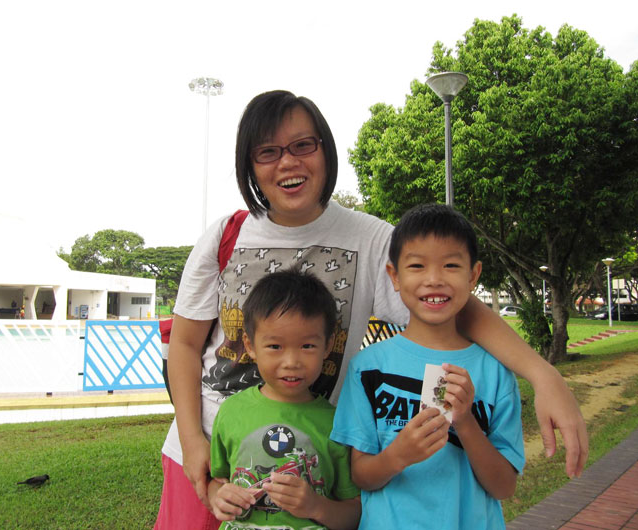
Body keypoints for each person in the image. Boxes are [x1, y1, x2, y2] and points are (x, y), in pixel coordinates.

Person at [156, 90, 587, 530]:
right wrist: (193, 442)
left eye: (304, 145)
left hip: (312, 468)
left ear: (326, 149)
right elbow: (187, 346)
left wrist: (543, 374)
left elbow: (462, 310)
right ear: (248, 165)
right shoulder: (226, 235)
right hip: (212, 457)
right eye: (267, 152)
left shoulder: (373, 238)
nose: (288, 163)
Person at [331, 204, 524, 529]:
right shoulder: (367, 368)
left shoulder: (495, 371)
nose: (434, 280)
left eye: (451, 265)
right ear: (394, 276)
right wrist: (398, 455)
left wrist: (466, 424)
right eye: (417, 266)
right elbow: (360, 475)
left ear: (473, 275)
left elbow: (504, 486)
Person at [208, 269, 361, 529]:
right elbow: (218, 480)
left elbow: (353, 514)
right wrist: (218, 498)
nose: (291, 363)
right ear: (250, 345)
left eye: (307, 346)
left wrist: (315, 506)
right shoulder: (231, 411)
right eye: (275, 347)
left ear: (328, 345)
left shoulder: (336, 423)